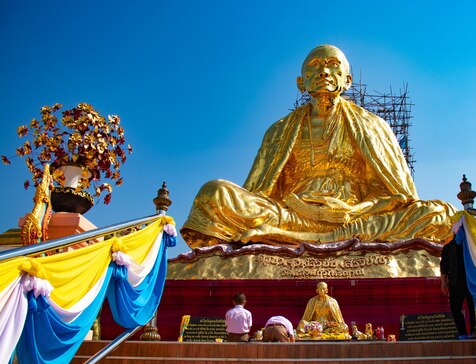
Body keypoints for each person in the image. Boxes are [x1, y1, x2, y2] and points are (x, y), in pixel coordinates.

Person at [181, 44, 455, 248]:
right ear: (301, 83)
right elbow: (259, 193)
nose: (323, 72)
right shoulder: (279, 130)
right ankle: (295, 233)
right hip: (290, 214)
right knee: (213, 193)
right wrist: (295, 209)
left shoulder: (373, 126)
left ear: (347, 80)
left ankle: (292, 238)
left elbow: (401, 197)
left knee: (442, 214)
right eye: (313, 67)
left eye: (332, 65)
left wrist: (354, 211)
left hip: (354, 216)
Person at [440, 235, 476, 339]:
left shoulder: (471, 245)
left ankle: (475, 331)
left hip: (471, 281)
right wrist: (443, 283)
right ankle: (462, 333)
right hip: (455, 281)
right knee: (455, 308)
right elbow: (444, 266)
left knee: (472, 308)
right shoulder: (448, 247)